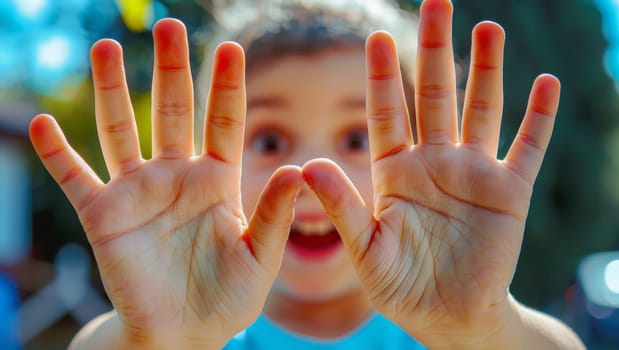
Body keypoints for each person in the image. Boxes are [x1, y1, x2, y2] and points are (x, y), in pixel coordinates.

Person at [28, 0, 586, 348]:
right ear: (204, 155)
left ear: (425, 154)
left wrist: (481, 332)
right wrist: (158, 342)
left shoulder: (448, 332)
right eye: (269, 140)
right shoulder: (195, 328)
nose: (311, 174)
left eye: (358, 138)